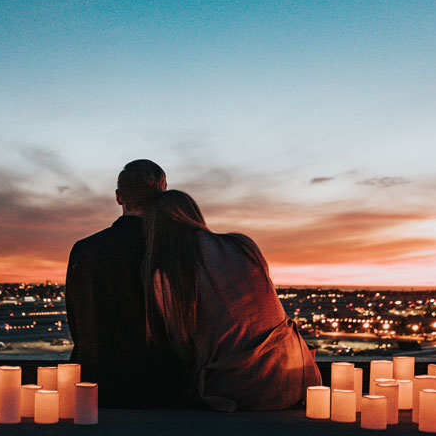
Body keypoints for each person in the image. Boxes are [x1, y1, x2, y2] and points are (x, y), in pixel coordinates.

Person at [143, 190, 322, 412]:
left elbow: (182, 346)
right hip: (298, 376)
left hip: (239, 389)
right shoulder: (243, 245)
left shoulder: (168, 275)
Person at [65, 160, 184, 407]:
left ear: (119, 197)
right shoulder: (175, 250)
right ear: (163, 195)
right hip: (159, 388)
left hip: (95, 385)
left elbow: (78, 324)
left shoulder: (84, 250)